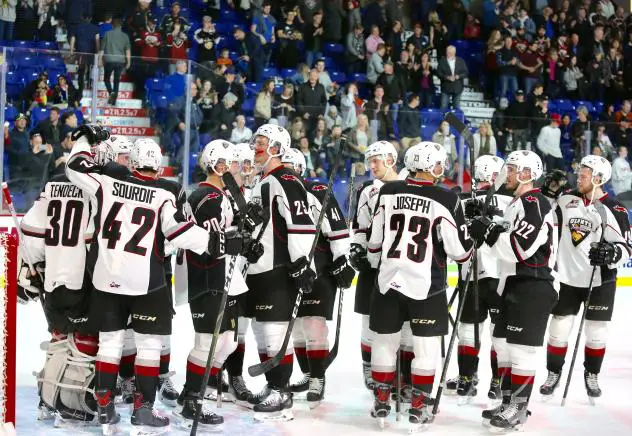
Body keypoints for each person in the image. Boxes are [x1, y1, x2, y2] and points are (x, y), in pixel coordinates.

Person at [64, 125, 249, 432]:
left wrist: (84, 139)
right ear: (159, 166)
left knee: (110, 343)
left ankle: (105, 407)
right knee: (149, 345)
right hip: (146, 279)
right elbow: (181, 233)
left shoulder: (107, 182)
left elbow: (73, 167)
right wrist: (219, 242)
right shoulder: (164, 193)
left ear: (132, 163)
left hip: (106, 277)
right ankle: (143, 409)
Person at [366, 141, 473, 430]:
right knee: (425, 347)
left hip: (387, 282)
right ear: (428, 166)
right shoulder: (446, 198)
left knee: (385, 342)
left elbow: (373, 243)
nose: (442, 169)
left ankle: (382, 399)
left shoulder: (387, 192)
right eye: (438, 164)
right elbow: (460, 252)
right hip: (427, 285)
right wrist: (473, 236)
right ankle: (420, 404)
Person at [174, 140, 264, 429]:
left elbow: (227, 237)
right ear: (218, 166)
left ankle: (202, 392)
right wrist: (238, 240)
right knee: (207, 343)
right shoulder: (208, 198)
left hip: (222, 276)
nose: (238, 169)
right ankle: (191, 399)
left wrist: (244, 236)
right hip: (208, 278)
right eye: (232, 163)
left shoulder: (218, 196)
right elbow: (210, 245)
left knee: (225, 342)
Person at [469, 150, 557, 431]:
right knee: (502, 345)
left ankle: (518, 408)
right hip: (512, 283)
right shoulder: (517, 204)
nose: (506, 173)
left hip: (533, 284)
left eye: (512, 169)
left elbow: (519, 248)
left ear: (528, 174)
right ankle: (508, 402)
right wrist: (485, 229)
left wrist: (490, 233)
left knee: (521, 351)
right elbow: (500, 251)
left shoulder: (535, 202)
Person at [19, 127, 98, 424]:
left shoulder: (52, 185)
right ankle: (72, 403)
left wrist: (33, 266)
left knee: (58, 339)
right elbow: (94, 240)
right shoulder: (93, 188)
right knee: (85, 342)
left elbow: (29, 230)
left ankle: (47, 399)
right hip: (80, 278)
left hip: (52, 278)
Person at [539, 156, 632, 402]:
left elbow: (626, 247)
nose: (578, 177)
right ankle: (553, 373)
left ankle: (592, 374)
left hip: (600, 280)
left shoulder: (614, 208)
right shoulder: (567, 198)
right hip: (568, 278)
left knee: (596, 333)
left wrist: (612, 252)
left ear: (599, 179)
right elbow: (541, 210)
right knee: (558, 331)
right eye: (579, 173)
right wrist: (547, 191)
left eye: (584, 174)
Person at [244, 124, 317, 421]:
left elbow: (300, 223)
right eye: (256, 140)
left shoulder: (286, 179)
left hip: (278, 268)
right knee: (262, 332)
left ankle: (282, 390)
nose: (256, 146)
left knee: (274, 332)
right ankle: (273, 384)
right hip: (259, 267)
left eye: (262, 142)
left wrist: (302, 263)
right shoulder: (263, 179)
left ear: (276, 147)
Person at [282, 148, 354, 407]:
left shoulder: (317, 191)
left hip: (319, 269)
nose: (287, 173)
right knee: (298, 329)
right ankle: (309, 373)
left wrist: (340, 259)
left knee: (313, 324)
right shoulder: (276, 191)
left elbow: (336, 228)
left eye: (291, 168)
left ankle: (318, 379)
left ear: (300, 169)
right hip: (288, 271)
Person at [444, 155, 513, 403]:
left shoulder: (510, 202)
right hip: (476, 274)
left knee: (475, 331)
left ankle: (475, 379)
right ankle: (477, 379)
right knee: (478, 331)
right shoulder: (463, 201)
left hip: (495, 275)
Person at [350, 141, 399, 391]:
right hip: (373, 264)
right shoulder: (367, 190)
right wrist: (357, 247)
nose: (372, 166)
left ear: (390, 159)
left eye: (376, 160)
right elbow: (360, 225)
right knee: (368, 320)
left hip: (400, 264)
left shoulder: (407, 187)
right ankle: (368, 367)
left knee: (400, 321)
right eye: (369, 161)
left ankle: (399, 370)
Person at [100, 19, 131, 106]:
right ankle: (114, 101)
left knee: (106, 79)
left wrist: (99, 60)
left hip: (109, 60)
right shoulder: (125, 36)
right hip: (120, 61)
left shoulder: (107, 34)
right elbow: (127, 51)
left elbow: (102, 49)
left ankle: (111, 92)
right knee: (116, 81)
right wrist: (129, 62)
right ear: (121, 26)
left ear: (112, 25)